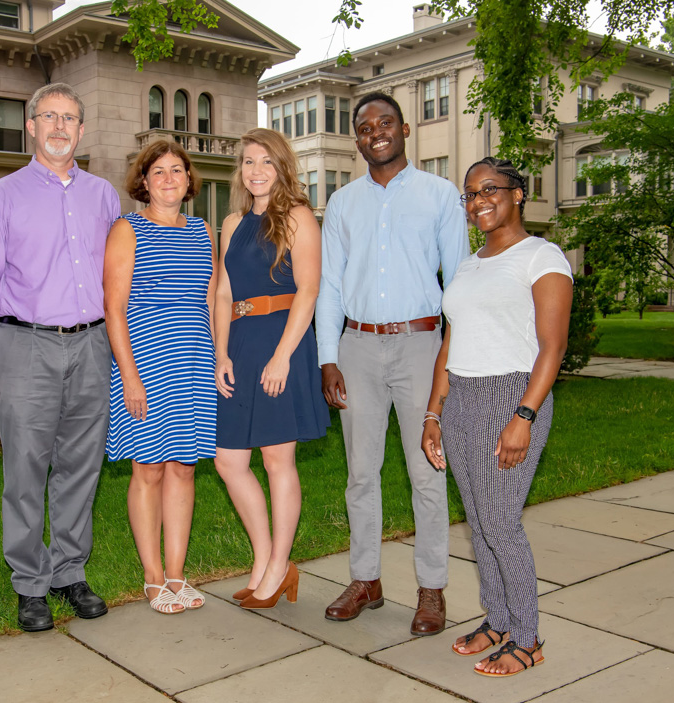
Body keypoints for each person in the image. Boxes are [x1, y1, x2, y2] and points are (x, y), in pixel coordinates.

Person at [316, 92, 468, 634]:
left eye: (384, 123)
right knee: (361, 472)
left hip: (420, 346)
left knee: (427, 471)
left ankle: (431, 589)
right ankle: (367, 579)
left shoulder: (440, 196)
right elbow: (330, 285)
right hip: (355, 348)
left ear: (404, 129)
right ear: (356, 137)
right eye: (364, 126)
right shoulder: (342, 205)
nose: (374, 132)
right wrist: (327, 357)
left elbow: (461, 283)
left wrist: (451, 361)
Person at [0, 83, 120, 631]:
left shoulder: (104, 195)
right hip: (24, 344)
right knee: (26, 469)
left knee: (81, 466)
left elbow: (118, 276)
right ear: (31, 126)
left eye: (70, 118)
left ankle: (69, 571)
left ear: (82, 131)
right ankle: (29, 582)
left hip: (91, 342)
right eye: (49, 117)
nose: (60, 127)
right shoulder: (3, 196)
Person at [421, 157, 572, 677]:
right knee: (481, 524)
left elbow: (553, 347)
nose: (478, 201)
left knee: (502, 523)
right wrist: (432, 413)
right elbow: (449, 342)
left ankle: (527, 638)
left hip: (511, 395)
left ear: (517, 194)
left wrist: (524, 414)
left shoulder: (542, 257)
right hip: (460, 398)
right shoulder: (469, 263)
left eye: (490, 190)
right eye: (469, 194)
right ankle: (499, 619)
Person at [213, 128, 330, 610]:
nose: (255, 170)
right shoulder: (231, 221)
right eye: (247, 161)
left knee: (278, 459)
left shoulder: (299, 217)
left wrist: (283, 355)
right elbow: (221, 291)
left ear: (282, 167)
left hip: (284, 340)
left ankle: (279, 565)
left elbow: (308, 289)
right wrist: (220, 352)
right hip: (239, 343)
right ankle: (264, 559)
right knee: (228, 460)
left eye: (265, 161)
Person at [104, 141, 217, 614]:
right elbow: (114, 309)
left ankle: (177, 574)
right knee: (148, 468)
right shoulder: (127, 230)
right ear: (144, 182)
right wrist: (129, 377)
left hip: (193, 363)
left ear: (190, 181)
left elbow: (210, 300)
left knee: (184, 468)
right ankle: (152, 577)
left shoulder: (203, 230)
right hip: (146, 364)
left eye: (177, 170)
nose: (169, 178)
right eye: (159, 171)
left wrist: (217, 361)